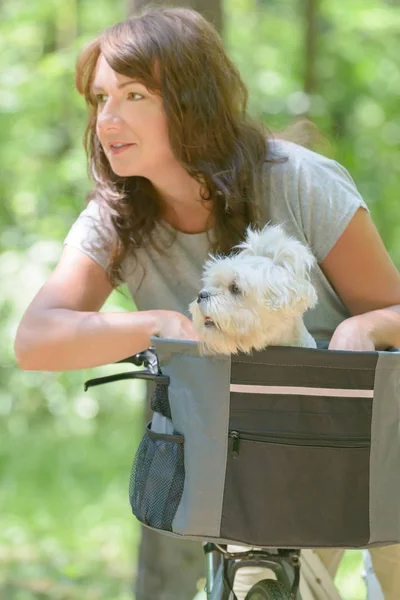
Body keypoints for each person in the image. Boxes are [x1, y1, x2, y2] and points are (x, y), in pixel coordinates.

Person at [14, 6, 400, 600]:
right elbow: (35, 341)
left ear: (193, 99)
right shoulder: (116, 218)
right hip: (254, 468)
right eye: (98, 99)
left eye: (134, 94)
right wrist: (163, 324)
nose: (106, 119)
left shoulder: (298, 182)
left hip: (373, 444)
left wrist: (364, 331)